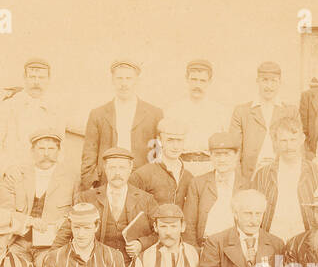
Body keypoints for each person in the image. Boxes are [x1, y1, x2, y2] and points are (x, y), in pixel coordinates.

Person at [80, 58, 163, 189]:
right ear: (112, 80)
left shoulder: (154, 114)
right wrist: (90, 184)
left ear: (137, 81)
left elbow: (157, 153)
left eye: (128, 78)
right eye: (119, 78)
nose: (124, 84)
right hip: (107, 179)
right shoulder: (98, 114)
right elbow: (89, 153)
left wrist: (154, 183)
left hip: (142, 181)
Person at [65, 145, 158, 261]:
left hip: (132, 264)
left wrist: (141, 244)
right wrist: (53, 255)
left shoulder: (146, 199)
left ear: (130, 168)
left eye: (122, 168)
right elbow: (67, 229)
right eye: (112, 168)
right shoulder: (87, 198)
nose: (117, 173)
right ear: (105, 168)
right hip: (97, 263)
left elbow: (161, 232)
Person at [0, 128, 77, 260]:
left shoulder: (72, 179)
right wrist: (29, 221)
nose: (46, 154)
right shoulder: (16, 175)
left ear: (59, 151)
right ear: (32, 151)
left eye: (51, 149)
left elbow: (77, 211)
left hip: (52, 245)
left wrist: (62, 222)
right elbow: (4, 211)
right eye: (41, 149)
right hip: (18, 242)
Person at [0, 58, 68, 181]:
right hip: (12, 177)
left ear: (49, 79)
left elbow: (60, 148)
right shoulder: (7, 106)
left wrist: (53, 175)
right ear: (24, 77)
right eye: (32, 77)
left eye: (41, 78)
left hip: (43, 178)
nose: (36, 82)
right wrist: (7, 167)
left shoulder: (55, 110)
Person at [252, 115, 318, 243]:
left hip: (306, 238)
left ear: (302, 139)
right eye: (283, 141)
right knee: (276, 263)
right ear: (275, 142)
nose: (289, 146)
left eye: (293, 140)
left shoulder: (317, 172)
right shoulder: (263, 174)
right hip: (272, 238)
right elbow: (254, 209)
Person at [230, 61, 299, 178]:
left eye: (273, 81)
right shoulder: (242, 111)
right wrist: (240, 181)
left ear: (280, 82)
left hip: (282, 174)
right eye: (265, 80)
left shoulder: (290, 111)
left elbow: (296, 147)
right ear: (257, 81)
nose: (269, 86)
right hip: (250, 176)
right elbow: (234, 150)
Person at [163, 58, 227, 173]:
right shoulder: (174, 110)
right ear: (187, 79)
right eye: (194, 80)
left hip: (210, 167)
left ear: (210, 82)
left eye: (202, 81)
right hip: (181, 166)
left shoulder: (219, 111)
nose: (197, 85)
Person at [186, 131, 248, 243]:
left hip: (235, 246)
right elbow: (189, 223)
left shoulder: (246, 185)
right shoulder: (198, 183)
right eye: (217, 154)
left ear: (236, 155)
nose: (222, 160)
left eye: (226, 154)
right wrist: (193, 251)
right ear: (211, 156)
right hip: (206, 245)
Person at [129, 116, 197, 214]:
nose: (175, 147)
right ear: (160, 140)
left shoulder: (189, 177)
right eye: (170, 140)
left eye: (179, 141)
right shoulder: (142, 175)